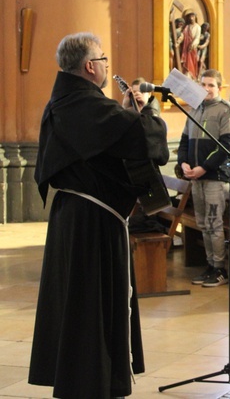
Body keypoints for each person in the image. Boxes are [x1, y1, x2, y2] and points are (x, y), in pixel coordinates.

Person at [29, 32, 169, 397]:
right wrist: (146, 110)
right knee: (90, 302)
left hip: (75, 215)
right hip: (93, 222)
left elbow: (105, 141)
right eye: (104, 59)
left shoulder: (68, 101)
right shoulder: (86, 104)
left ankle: (90, 376)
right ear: (91, 66)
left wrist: (123, 114)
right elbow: (145, 136)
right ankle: (93, 377)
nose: (108, 66)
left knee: (80, 299)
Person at [178, 69, 230, 287]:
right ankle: (210, 265)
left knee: (214, 224)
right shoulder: (194, 109)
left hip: (214, 176)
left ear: (219, 87)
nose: (206, 89)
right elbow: (184, 142)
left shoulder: (226, 110)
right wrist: (183, 163)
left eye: (211, 85)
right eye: (203, 84)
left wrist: (204, 167)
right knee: (203, 223)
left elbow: (228, 145)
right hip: (196, 176)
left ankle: (220, 269)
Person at [178, 12, 201, 78]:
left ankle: (192, 75)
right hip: (186, 47)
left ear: (195, 17)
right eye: (190, 17)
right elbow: (183, 35)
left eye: (192, 17)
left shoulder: (198, 27)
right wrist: (178, 41)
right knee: (186, 61)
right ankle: (186, 74)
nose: (191, 18)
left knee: (193, 61)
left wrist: (192, 45)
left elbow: (197, 37)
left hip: (192, 48)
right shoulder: (187, 27)